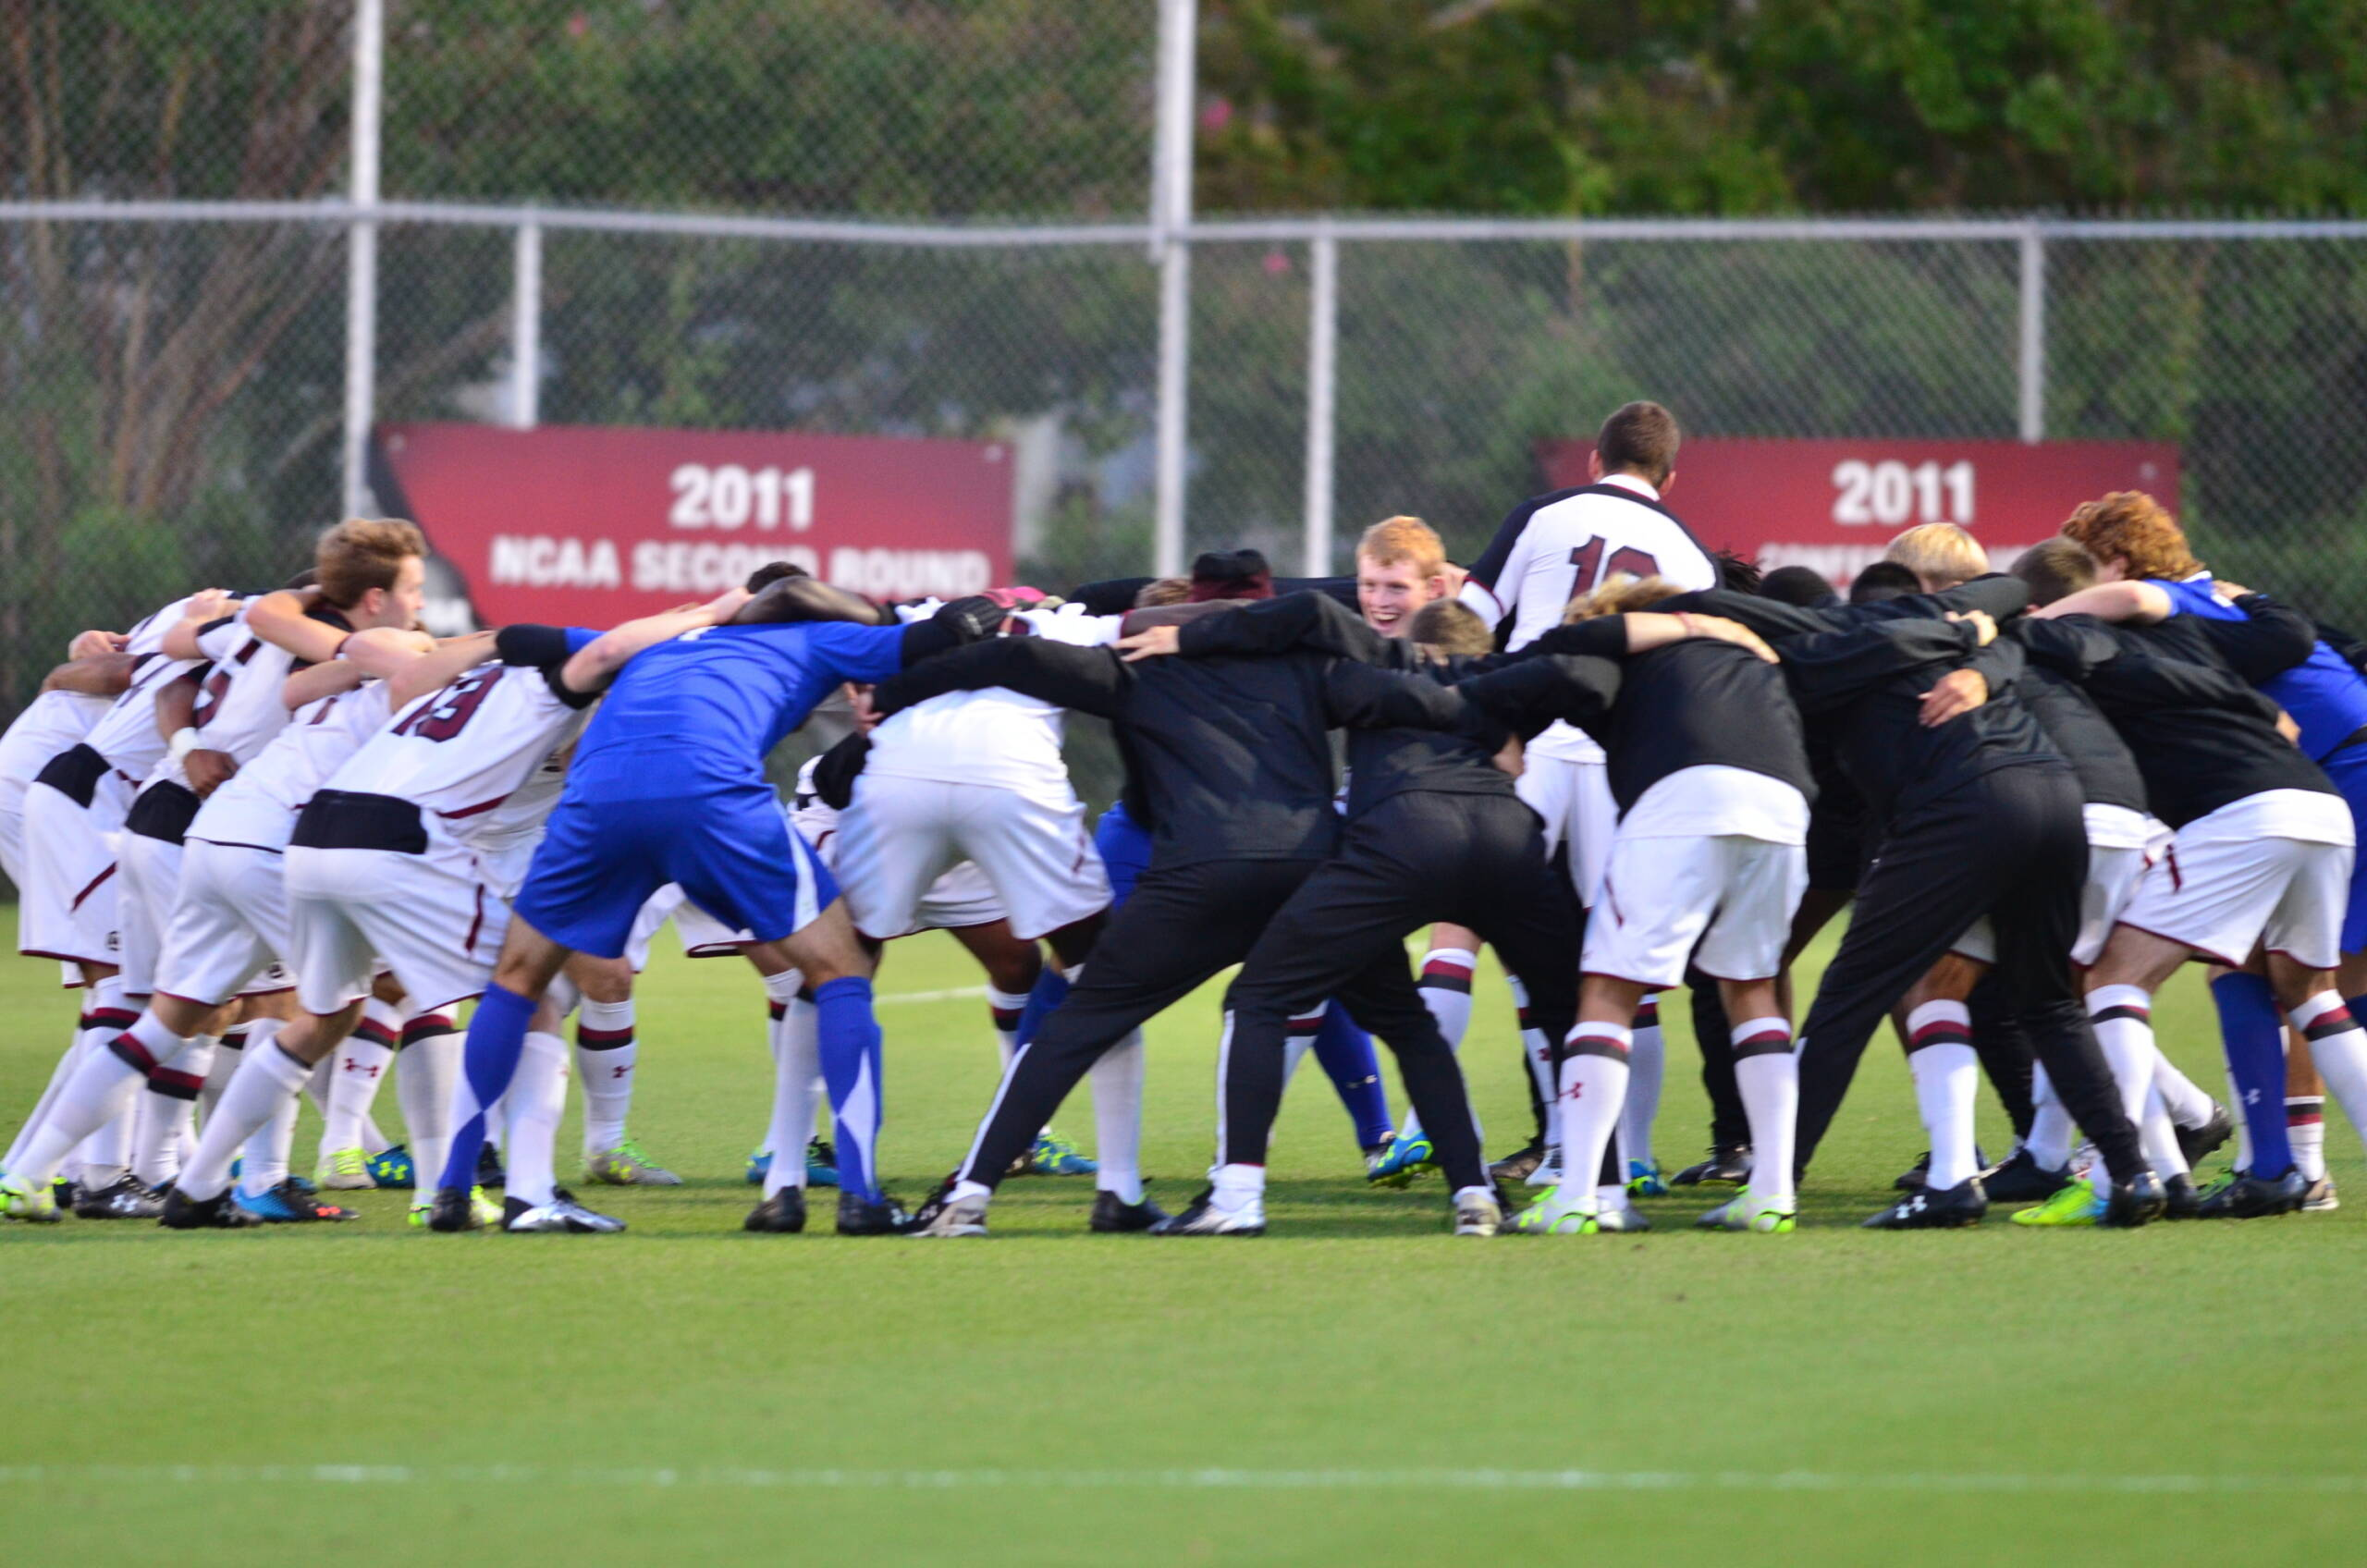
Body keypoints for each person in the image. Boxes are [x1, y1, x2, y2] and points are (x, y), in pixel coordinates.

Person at [886, 582, 1518, 1238]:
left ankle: (970, 1198)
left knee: (1078, 1026)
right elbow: (1414, 698)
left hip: (1201, 878)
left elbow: (1012, 661)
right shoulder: (1306, 667)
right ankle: (1474, 1194)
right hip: (1315, 877)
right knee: (1407, 1025)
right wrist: (1486, 720)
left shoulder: (1136, 666)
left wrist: (893, 690)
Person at [418, 583, 1005, 1237]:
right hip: (710, 794)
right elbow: (943, 633)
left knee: (516, 979)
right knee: (840, 970)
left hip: (597, 800)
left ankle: (452, 1190)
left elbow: (541, 644)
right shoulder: (817, 636)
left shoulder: (661, 636)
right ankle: (861, 1195)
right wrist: (975, 614)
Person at [1425, 402, 1721, 1194]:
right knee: (1621, 964)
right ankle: (1636, 1155)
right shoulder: (1689, 553)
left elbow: (1471, 624)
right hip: (1620, 758)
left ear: (1593, 460)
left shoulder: (1543, 514)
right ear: (1670, 475)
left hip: (1528, 745)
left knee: (1467, 929)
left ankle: (1433, 1133)